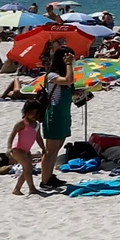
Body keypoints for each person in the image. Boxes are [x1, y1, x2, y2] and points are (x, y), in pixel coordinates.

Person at [38, 49, 82, 191]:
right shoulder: (52, 75)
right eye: (69, 58)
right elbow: (68, 80)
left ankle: (49, 176)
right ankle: (45, 181)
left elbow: (69, 86)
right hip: (54, 115)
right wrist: (68, 64)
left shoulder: (65, 75)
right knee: (50, 151)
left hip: (63, 115)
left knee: (56, 149)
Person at [9, 101, 42, 196]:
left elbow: (38, 138)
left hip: (27, 150)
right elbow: (12, 135)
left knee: (28, 169)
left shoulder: (36, 125)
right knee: (28, 167)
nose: (32, 115)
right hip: (17, 149)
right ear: (26, 111)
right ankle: (32, 188)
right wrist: (9, 147)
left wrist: (43, 148)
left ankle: (17, 189)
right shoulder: (22, 123)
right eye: (30, 112)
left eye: (35, 113)